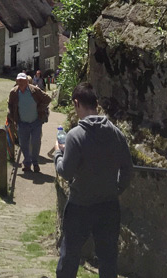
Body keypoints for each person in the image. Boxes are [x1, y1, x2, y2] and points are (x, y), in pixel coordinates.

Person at [55, 82, 133, 278]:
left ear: (76, 103)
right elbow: (127, 168)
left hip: (80, 205)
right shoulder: (116, 133)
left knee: (70, 256)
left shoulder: (75, 136)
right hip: (108, 205)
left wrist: (58, 154)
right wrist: (117, 189)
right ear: (96, 104)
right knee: (108, 259)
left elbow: (65, 171)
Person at [8, 71, 51, 173]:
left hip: (36, 122)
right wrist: (10, 116)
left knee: (36, 142)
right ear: (16, 81)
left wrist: (40, 108)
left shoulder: (35, 90)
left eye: (23, 80)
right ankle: (27, 163)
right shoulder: (13, 92)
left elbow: (47, 99)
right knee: (23, 144)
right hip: (22, 122)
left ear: (27, 81)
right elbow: (10, 105)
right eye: (19, 80)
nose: (21, 82)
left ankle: (35, 163)